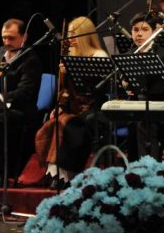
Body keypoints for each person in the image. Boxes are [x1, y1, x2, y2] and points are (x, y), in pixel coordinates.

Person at [34, 16, 109, 189]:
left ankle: (67, 175)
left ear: (85, 35)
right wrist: (59, 106)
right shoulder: (69, 56)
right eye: (69, 34)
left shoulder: (99, 56)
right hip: (73, 107)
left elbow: (98, 90)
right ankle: (55, 173)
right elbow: (64, 91)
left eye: (75, 33)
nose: (71, 38)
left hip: (93, 106)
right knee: (54, 122)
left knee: (69, 124)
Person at [0, 19, 42, 187]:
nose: (6, 42)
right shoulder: (0, 52)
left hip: (21, 109)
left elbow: (25, 93)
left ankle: (1, 174)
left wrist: (0, 97)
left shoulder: (30, 59)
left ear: (24, 37)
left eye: (11, 38)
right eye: (4, 38)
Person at [125, 12, 164, 160]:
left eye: (145, 29)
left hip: (157, 106)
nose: (139, 34)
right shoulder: (129, 55)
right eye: (135, 30)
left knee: (145, 121)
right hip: (134, 107)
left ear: (154, 32)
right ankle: (134, 165)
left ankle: (149, 165)